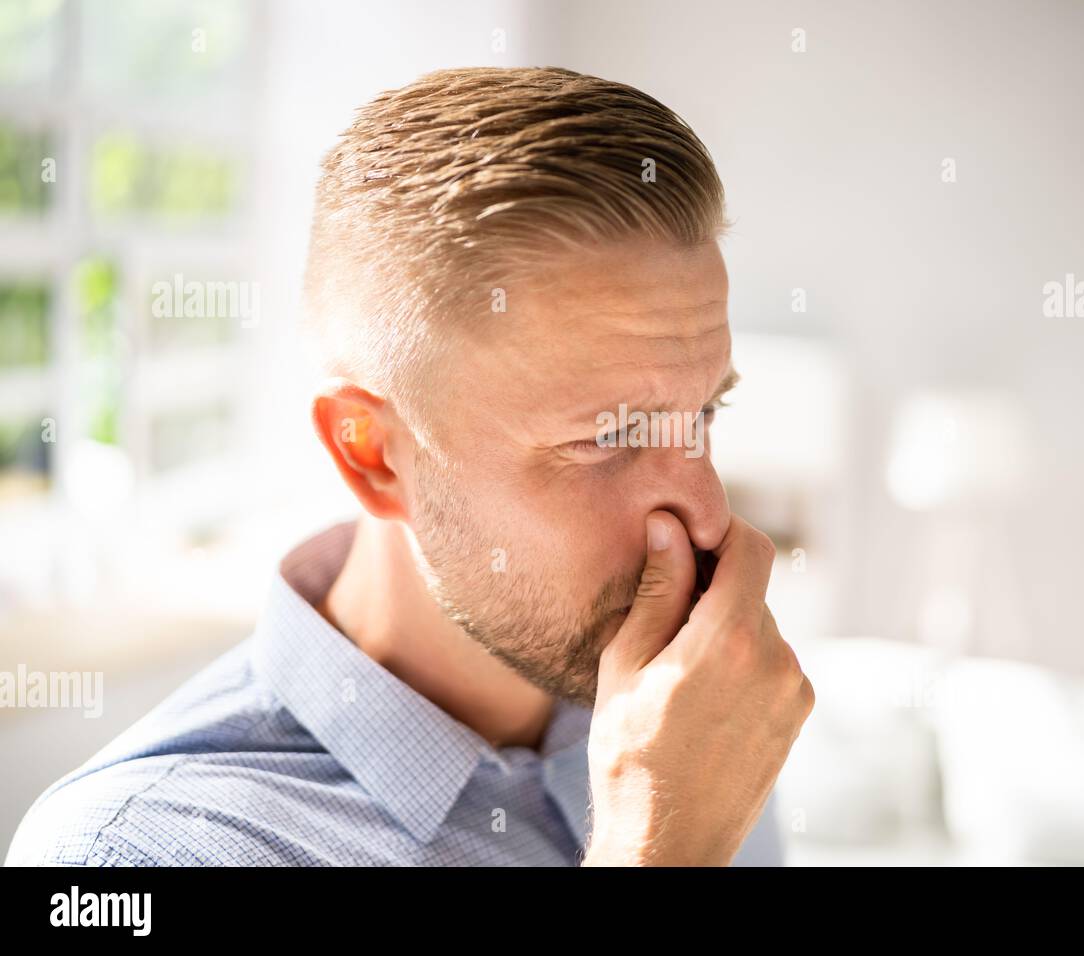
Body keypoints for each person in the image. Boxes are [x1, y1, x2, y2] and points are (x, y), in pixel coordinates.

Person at [5, 66, 815, 867]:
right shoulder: (129, 854)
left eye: (704, 413)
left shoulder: (699, 719)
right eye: (609, 436)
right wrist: (658, 846)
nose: (708, 515)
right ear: (373, 455)